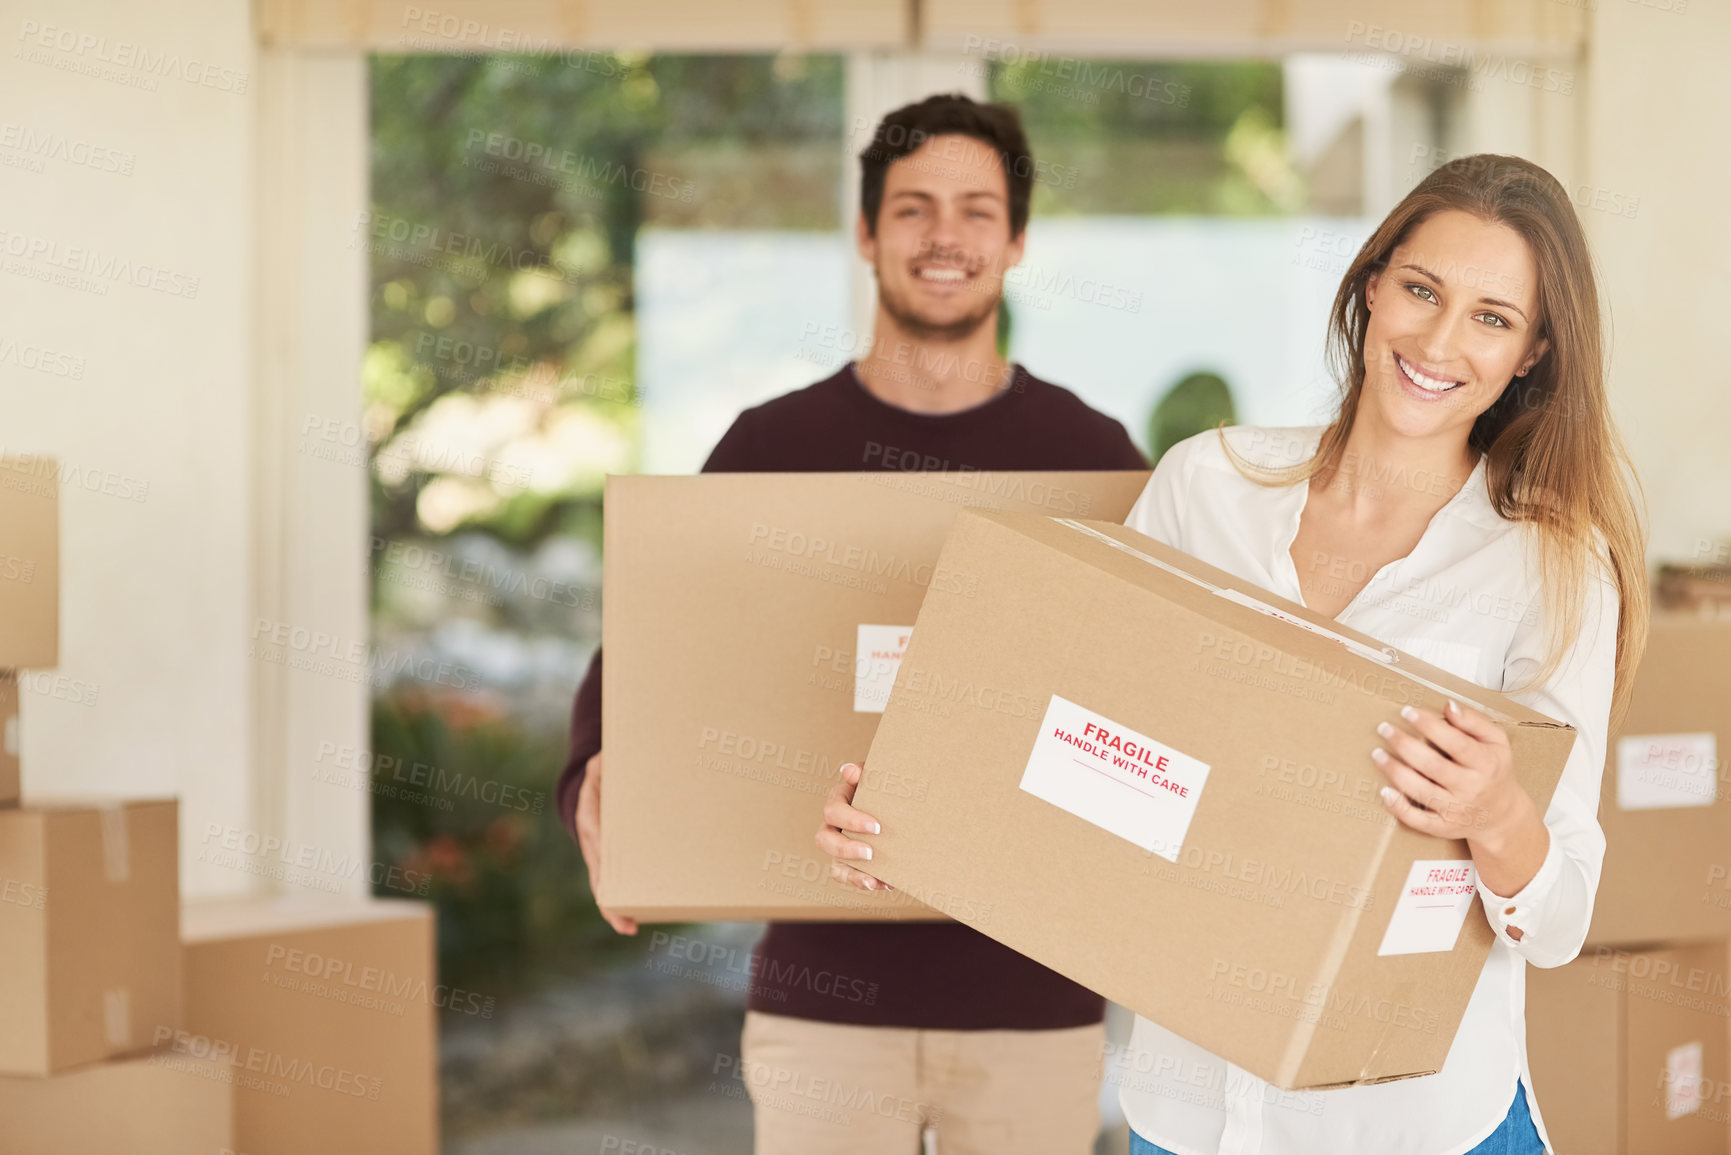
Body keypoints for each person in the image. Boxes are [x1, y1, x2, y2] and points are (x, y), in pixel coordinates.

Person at [823, 152, 1649, 1154]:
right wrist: (910, 817)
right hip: (1192, 1112)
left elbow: (1558, 921)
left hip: (1420, 1123)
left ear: (1531, 354)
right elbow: (1084, 747)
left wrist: (1498, 813)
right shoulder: (1207, 485)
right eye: (1422, 290)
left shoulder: (1551, 565)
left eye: (1491, 317)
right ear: (1373, 282)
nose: (1438, 341)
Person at [557, 93, 1148, 1153]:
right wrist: (595, 775)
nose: (945, 237)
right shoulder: (774, 443)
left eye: (977, 209)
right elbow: (653, 651)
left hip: (1034, 1006)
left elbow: (1159, 695)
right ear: (868, 234)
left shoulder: (1092, 458)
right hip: (823, 1008)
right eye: (913, 209)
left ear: (1015, 241)